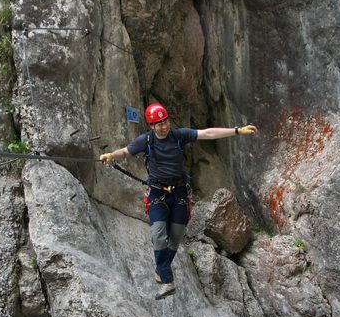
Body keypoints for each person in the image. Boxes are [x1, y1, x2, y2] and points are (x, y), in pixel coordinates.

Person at [100, 103, 257, 300]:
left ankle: (161, 269)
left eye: (165, 121)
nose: (163, 126)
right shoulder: (146, 140)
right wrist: (110, 155)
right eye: (158, 123)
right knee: (158, 236)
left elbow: (206, 133)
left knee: (175, 238)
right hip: (158, 193)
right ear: (151, 125)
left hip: (180, 193)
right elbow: (125, 152)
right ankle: (167, 280)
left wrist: (236, 131)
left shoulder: (179, 135)